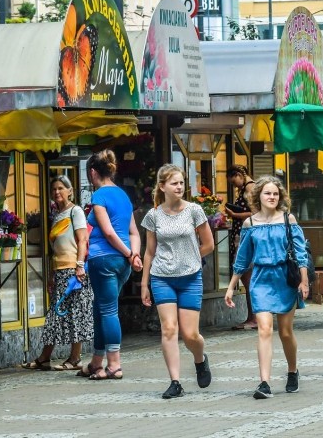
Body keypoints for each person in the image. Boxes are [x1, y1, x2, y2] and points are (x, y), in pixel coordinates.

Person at [224, 176, 309, 400]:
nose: (271, 197)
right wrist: (231, 286)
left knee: (285, 332)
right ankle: (264, 382)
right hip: (261, 279)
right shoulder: (250, 224)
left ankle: (292, 371)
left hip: (285, 279)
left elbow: (300, 253)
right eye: (267, 193)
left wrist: (304, 280)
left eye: (275, 193)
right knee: (263, 329)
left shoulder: (288, 219)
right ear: (258, 196)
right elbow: (242, 259)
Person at [140, 164, 215, 399]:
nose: (179, 186)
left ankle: (200, 359)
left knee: (191, 334)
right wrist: (144, 284)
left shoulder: (194, 211)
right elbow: (149, 252)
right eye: (174, 183)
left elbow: (209, 244)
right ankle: (175, 381)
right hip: (162, 277)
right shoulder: (153, 216)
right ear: (162, 187)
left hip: (190, 277)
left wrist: (190, 258)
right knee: (169, 329)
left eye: (182, 182)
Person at [78, 150, 143, 380]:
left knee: (107, 310)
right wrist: (134, 254)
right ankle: (97, 361)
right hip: (122, 264)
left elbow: (107, 232)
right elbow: (133, 231)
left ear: (93, 172)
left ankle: (114, 364)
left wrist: (128, 254)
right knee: (100, 309)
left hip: (104, 259)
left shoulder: (99, 197)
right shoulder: (124, 196)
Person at [21, 175, 94, 371]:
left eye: (61, 188)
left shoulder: (75, 211)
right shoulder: (57, 215)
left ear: (70, 191)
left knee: (74, 314)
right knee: (57, 314)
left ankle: (74, 358)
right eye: (54, 189)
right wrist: (51, 276)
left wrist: (79, 265)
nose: (57, 192)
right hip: (59, 270)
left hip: (73, 271)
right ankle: (45, 357)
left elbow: (82, 240)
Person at [226, 165, 258, 331]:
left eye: (234, 182)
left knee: (248, 279)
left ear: (239, 175)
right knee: (247, 279)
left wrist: (234, 215)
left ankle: (254, 318)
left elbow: (255, 212)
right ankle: (252, 317)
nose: (235, 186)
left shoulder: (250, 188)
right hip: (243, 235)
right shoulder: (249, 187)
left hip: (246, 236)